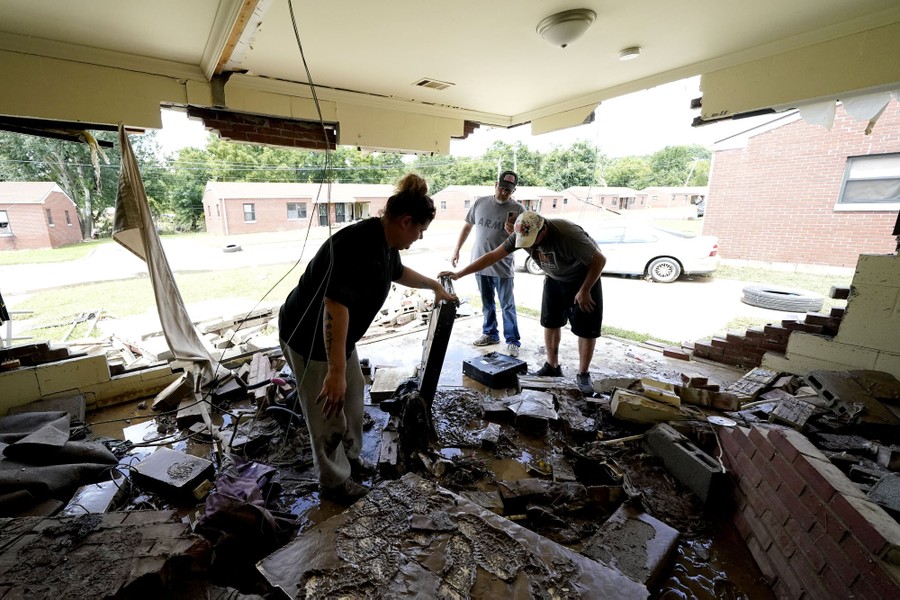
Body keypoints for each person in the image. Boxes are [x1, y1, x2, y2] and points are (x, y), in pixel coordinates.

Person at [279, 173, 456, 504]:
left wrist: (434, 285)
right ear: (405, 221)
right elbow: (335, 308)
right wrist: (335, 372)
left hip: (338, 340)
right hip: (308, 340)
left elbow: (398, 272)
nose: (419, 237)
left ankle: (349, 458)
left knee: (353, 394)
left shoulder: (385, 242)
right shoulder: (357, 245)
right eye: (420, 230)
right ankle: (334, 483)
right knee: (328, 411)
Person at [441, 210, 605, 396]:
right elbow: (493, 256)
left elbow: (600, 260)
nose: (530, 245)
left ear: (543, 229)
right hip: (554, 278)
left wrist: (585, 290)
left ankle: (583, 374)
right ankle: (552, 366)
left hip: (584, 278)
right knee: (550, 322)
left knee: (586, 328)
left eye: (533, 241)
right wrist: (459, 274)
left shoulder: (567, 233)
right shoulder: (522, 234)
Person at [450, 170, 525, 357]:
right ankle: (490, 334)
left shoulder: (519, 210)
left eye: (508, 190)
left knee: (507, 305)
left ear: (514, 191)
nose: (504, 193)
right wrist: (457, 249)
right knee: (486, 303)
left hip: (503, 266)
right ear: (495, 185)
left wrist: (513, 233)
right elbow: (467, 227)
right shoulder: (480, 203)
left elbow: (525, 241)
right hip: (479, 263)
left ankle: (512, 341)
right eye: (501, 188)